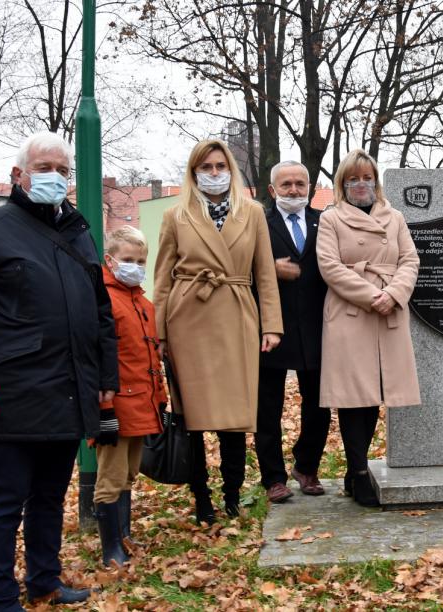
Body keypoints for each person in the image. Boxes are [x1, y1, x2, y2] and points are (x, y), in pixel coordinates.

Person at [0, 131, 116, 610]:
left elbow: (100, 312)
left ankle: (45, 579)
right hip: (12, 391)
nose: (56, 177)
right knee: (5, 499)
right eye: (46, 168)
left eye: (64, 170)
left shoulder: (78, 231)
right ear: (19, 175)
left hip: (68, 389)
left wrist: (105, 381)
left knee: (49, 495)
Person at [152, 139, 283, 524]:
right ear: (194, 172)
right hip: (187, 317)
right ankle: (201, 498)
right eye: (205, 167)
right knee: (192, 417)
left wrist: (272, 324)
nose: (213, 173)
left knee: (234, 415)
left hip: (237, 312)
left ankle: (231, 494)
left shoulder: (254, 213)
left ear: (231, 170)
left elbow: (266, 273)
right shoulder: (175, 216)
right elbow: (161, 278)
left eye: (219, 166)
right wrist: (158, 332)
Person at [317, 149, 421, 507]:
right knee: (353, 397)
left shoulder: (395, 218)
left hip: (389, 311)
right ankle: (359, 472)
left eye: (367, 177)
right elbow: (330, 267)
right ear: (343, 184)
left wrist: (393, 293)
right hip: (351, 314)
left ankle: (355, 469)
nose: (361, 184)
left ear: (375, 180)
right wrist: (372, 295)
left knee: (377, 393)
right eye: (353, 179)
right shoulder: (331, 219)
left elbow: (410, 259)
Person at [255, 161, 331, 504]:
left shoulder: (324, 221)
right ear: (273, 190)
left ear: (310, 188)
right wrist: (269, 270)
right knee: (267, 407)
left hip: (317, 326)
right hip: (271, 326)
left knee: (318, 404)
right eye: (286, 184)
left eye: (300, 184)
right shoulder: (258, 223)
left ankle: (307, 466)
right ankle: (273, 478)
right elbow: (239, 262)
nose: (294, 190)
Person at [94, 226, 165, 567]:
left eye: (140, 260)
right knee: (110, 477)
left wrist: (160, 399)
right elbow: (98, 359)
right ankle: (111, 550)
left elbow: (151, 358)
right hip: (116, 406)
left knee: (129, 474)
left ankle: (123, 534)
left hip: (142, 404)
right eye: (127, 260)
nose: (134, 266)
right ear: (110, 260)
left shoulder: (145, 304)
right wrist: (103, 408)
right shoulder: (103, 300)